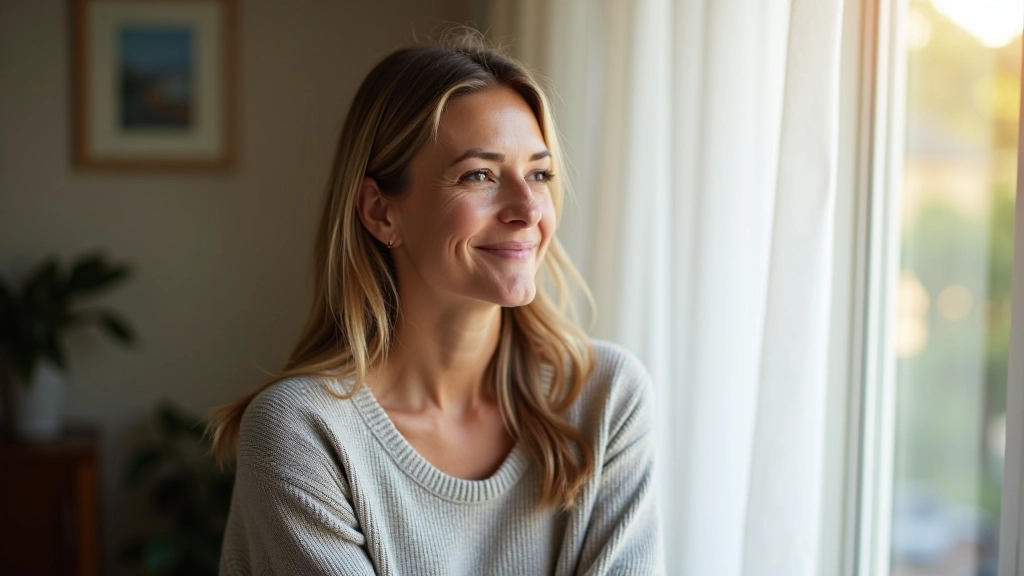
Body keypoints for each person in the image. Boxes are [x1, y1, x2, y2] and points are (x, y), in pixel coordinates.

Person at [209, 32, 663, 576]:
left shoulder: (606, 399)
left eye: (539, 174)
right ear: (380, 211)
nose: (527, 209)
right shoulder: (303, 433)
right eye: (480, 175)